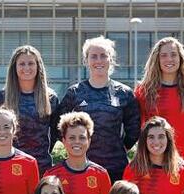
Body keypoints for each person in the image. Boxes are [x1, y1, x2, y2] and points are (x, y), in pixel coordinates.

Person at [58, 35, 140, 182]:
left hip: (115, 168)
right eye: (93, 56)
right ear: (86, 61)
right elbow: (59, 127)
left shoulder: (124, 93)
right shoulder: (74, 93)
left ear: (111, 59)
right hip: (81, 168)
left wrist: (118, 149)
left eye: (103, 56)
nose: (99, 60)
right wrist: (75, 149)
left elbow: (134, 130)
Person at [135, 37, 184, 176]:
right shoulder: (143, 91)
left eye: (173, 54)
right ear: (157, 60)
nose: (169, 59)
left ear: (181, 59)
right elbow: (140, 128)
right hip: (152, 165)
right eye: (163, 55)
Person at [0, 45, 59, 174]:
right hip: (8, 165)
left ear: (38, 66)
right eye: (22, 64)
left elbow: (56, 133)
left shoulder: (50, 98)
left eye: (31, 63)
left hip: (41, 166)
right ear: (14, 68)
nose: (26, 68)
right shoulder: (2, 98)